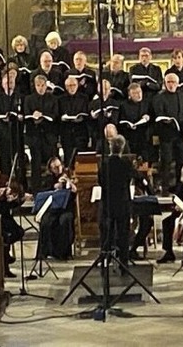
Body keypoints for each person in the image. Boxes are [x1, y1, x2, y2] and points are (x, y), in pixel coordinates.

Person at [150, 73, 183, 191]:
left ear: (178, 84)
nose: (171, 85)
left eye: (173, 82)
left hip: (180, 133)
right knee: (166, 160)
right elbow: (158, 114)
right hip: (166, 133)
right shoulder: (159, 97)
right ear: (165, 83)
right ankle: (165, 186)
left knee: (181, 160)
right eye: (169, 82)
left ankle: (180, 186)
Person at [98, 135, 134, 263]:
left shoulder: (104, 164)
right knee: (123, 234)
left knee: (107, 233)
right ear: (122, 148)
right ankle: (124, 262)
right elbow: (129, 179)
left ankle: (105, 260)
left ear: (110, 147)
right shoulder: (125, 163)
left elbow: (101, 181)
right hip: (122, 203)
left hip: (108, 203)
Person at [37, 158, 77, 260]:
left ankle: (63, 253)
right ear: (51, 169)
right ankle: (45, 252)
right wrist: (55, 187)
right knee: (45, 222)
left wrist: (69, 184)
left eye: (60, 166)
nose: (59, 169)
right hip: (53, 210)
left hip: (66, 209)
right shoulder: (49, 179)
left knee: (64, 220)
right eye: (55, 168)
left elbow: (74, 192)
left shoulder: (68, 175)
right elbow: (43, 194)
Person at [0, 65, 23, 179]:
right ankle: (5, 182)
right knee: (4, 159)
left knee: (18, 159)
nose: (9, 85)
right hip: (3, 132)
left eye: (11, 83)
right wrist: (3, 116)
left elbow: (22, 113)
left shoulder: (19, 96)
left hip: (16, 131)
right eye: (6, 83)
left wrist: (18, 116)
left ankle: (20, 184)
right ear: (2, 84)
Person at [58, 75, 91, 159]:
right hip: (66, 132)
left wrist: (82, 117)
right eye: (69, 85)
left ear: (77, 86)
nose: (72, 88)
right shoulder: (60, 99)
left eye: (74, 85)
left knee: (81, 157)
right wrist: (61, 118)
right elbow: (57, 114)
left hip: (81, 132)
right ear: (65, 87)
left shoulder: (84, 98)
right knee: (68, 157)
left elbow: (87, 113)